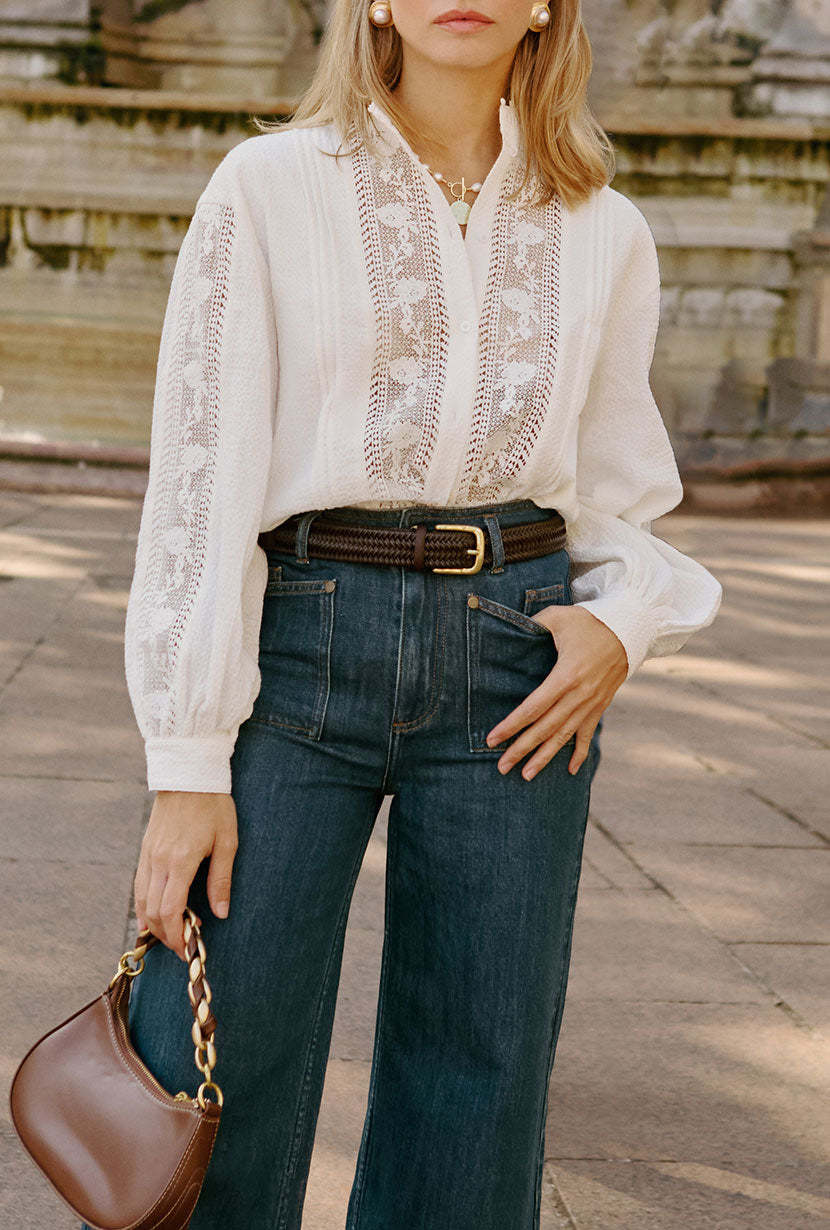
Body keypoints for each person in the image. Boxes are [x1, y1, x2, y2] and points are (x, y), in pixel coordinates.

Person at [94, 0, 723, 1227]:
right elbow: (201, 474)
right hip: (301, 642)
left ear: (547, 4)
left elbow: (613, 487)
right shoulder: (268, 186)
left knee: (478, 1067)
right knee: (217, 1045)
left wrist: (625, 619)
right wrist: (184, 758)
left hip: (516, 656)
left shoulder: (603, 225)